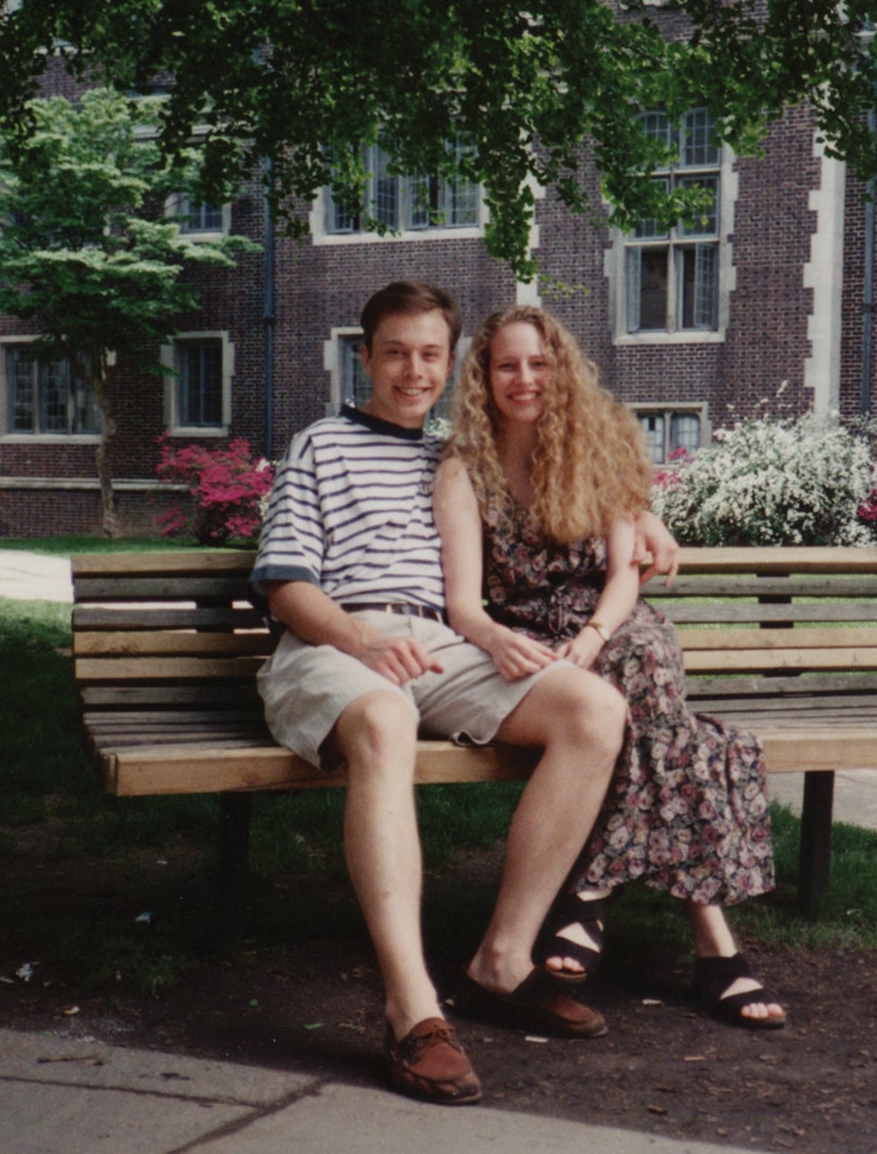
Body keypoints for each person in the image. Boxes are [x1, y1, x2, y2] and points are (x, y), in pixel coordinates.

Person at [252, 282, 641, 1106]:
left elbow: (582, 483)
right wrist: (362, 638)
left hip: (438, 644)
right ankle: (411, 1008)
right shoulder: (318, 444)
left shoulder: (456, 454)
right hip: (329, 642)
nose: (412, 369)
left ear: (451, 363)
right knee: (388, 719)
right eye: (394, 351)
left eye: (431, 353)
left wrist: (647, 520)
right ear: (364, 357)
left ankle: (500, 960)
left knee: (594, 710)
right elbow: (285, 587)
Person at [433, 304, 786, 1029]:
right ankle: (717, 952)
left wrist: (594, 636)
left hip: (605, 625)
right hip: (528, 640)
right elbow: (463, 605)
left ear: (561, 368)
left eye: (539, 363)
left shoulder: (600, 446)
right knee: (682, 740)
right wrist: (496, 640)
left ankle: (588, 896)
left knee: (648, 661)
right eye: (507, 365)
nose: (524, 378)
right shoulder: (464, 471)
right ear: (484, 376)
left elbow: (626, 574)